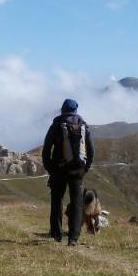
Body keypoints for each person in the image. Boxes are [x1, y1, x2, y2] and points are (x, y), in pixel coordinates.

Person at [42, 98, 95, 245]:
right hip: (78, 170)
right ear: (75, 111)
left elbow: (46, 149)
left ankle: (56, 234)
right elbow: (91, 150)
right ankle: (73, 238)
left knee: (57, 201)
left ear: (62, 109)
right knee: (77, 203)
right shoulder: (83, 125)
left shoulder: (57, 124)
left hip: (59, 169)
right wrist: (86, 168)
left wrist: (50, 168)